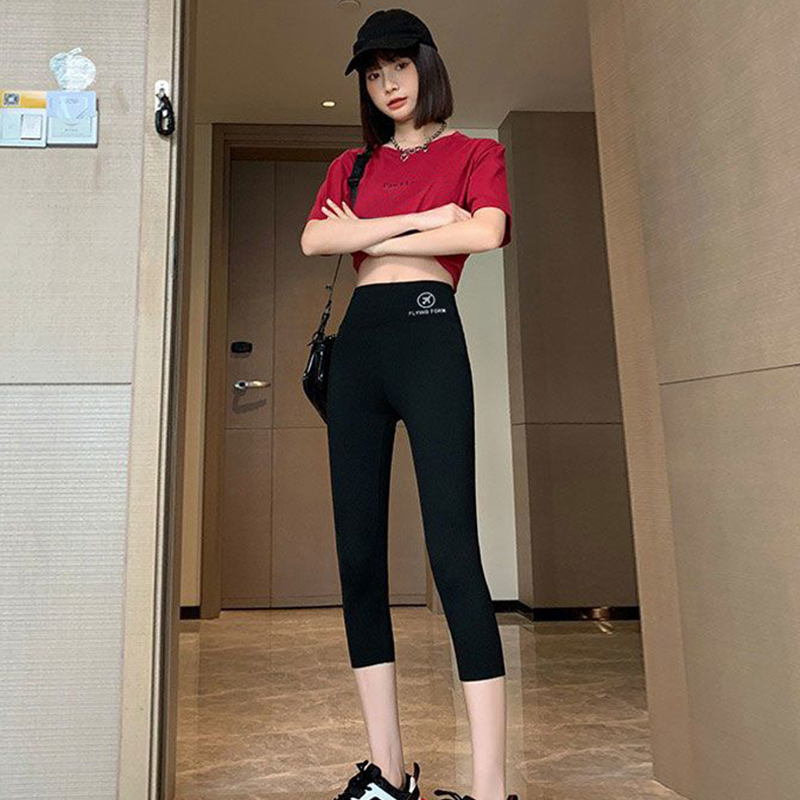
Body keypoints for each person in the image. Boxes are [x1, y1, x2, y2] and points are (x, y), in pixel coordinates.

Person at [300, 9, 517, 800]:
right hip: (360, 350)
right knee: (357, 556)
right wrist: (429, 219)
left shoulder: (475, 153)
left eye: (398, 65)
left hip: (429, 337)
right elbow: (316, 241)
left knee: (453, 551)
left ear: (428, 65)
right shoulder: (351, 166)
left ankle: (489, 786)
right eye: (372, 72)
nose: (387, 83)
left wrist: (370, 233)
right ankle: (388, 774)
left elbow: (485, 232)